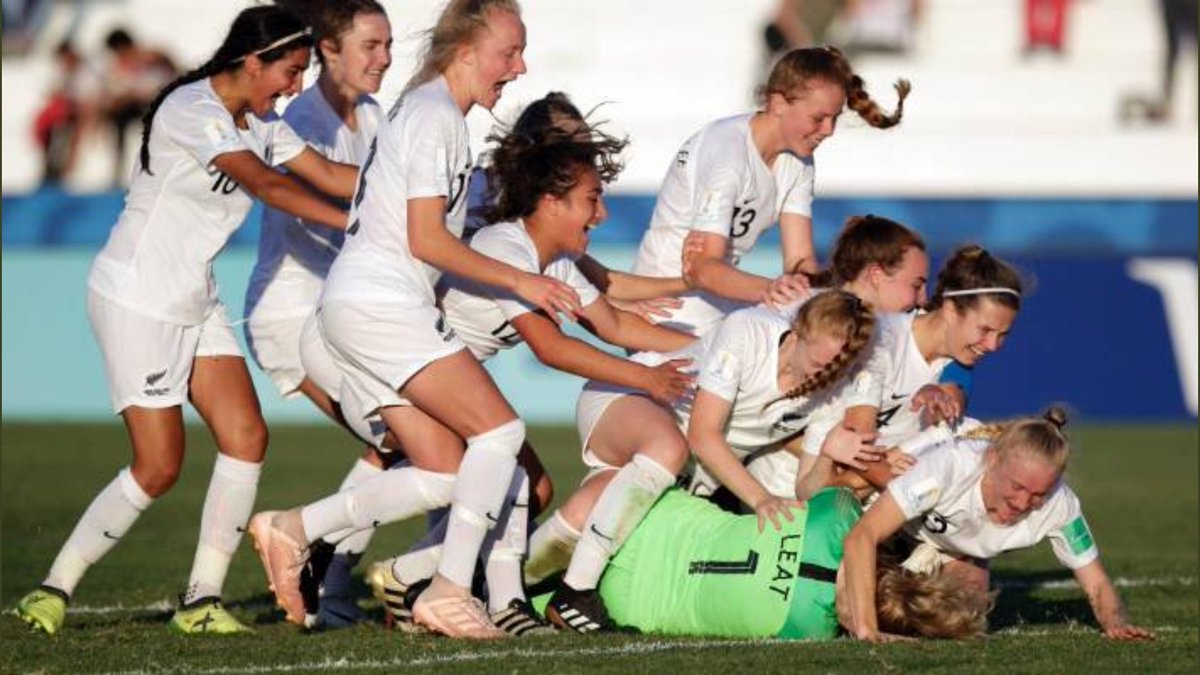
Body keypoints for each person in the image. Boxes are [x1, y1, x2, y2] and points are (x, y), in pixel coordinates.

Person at [277, 107, 695, 636]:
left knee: (506, 480)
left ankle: (420, 582)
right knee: (489, 471)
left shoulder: (555, 258)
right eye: (593, 199)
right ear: (549, 200)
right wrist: (646, 380)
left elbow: (616, 326)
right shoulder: (506, 247)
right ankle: (326, 543)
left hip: (412, 360)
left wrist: (708, 347)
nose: (603, 214)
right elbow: (550, 347)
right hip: (362, 355)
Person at [12, 5, 360, 636]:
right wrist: (364, 225)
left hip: (195, 298)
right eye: (289, 71)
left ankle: (201, 601)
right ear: (252, 61)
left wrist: (414, 189)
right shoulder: (191, 110)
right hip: (136, 298)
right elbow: (270, 188)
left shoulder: (261, 119)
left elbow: (332, 175)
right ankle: (51, 587)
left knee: (247, 437)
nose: (295, 87)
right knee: (159, 466)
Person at [243, 0, 583, 640]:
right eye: (508, 53)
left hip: (364, 304)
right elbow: (426, 239)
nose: (519, 67)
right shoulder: (433, 116)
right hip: (380, 303)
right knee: (501, 435)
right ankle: (448, 591)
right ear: (463, 52)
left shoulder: (434, 113)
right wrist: (519, 278)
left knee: (449, 473)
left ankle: (295, 530)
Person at [535, 290, 878, 632]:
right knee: (667, 449)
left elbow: (807, 489)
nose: (822, 378)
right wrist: (760, 498)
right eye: (819, 365)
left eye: (836, 370)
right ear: (800, 329)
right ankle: (574, 593)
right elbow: (703, 435)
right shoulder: (747, 330)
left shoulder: (834, 392)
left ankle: (501, 586)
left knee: (583, 518)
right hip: (630, 401)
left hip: (672, 471)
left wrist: (827, 454)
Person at [239, 0, 392, 630]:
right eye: (369, 46)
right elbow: (313, 207)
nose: (383, 59)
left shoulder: (377, 115)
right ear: (327, 50)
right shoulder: (301, 118)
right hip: (292, 314)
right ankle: (319, 569)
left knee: (402, 443)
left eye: (388, 45)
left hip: (339, 314)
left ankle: (324, 573)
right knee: (400, 438)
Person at [631, 45, 909, 338]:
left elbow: (799, 262)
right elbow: (702, 269)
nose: (828, 130)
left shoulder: (798, 160)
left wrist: (837, 292)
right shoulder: (728, 155)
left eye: (835, 118)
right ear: (777, 103)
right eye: (819, 118)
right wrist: (772, 289)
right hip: (663, 309)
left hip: (721, 302)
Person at [841, 407, 1156, 642]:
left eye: (1037, 495)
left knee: (961, 618)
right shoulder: (950, 466)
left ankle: (922, 568)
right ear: (992, 460)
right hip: (886, 528)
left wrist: (1115, 623)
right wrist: (868, 629)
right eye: (1016, 488)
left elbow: (1096, 580)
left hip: (952, 550)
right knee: (850, 610)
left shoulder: (1061, 505)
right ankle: (904, 570)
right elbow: (862, 537)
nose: (1022, 504)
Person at [781, 244, 1026, 501]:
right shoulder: (883, 342)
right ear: (951, 309)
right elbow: (857, 452)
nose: (994, 346)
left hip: (853, 498)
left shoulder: (956, 367)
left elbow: (939, 424)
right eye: (985, 330)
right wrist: (915, 492)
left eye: (1003, 335)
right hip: (786, 493)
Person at [592, 486, 991, 640]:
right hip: (626, 603)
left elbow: (823, 477)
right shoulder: (807, 631)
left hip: (649, 518)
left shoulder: (837, 516)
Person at [101, 28, 178, 186]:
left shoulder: (150, 56)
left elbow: (170, 69)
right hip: (138, 104)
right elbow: (118, 91)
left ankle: (161, 167)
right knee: (118, 117)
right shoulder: (119, 66)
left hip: (159, 102)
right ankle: (118, 168)